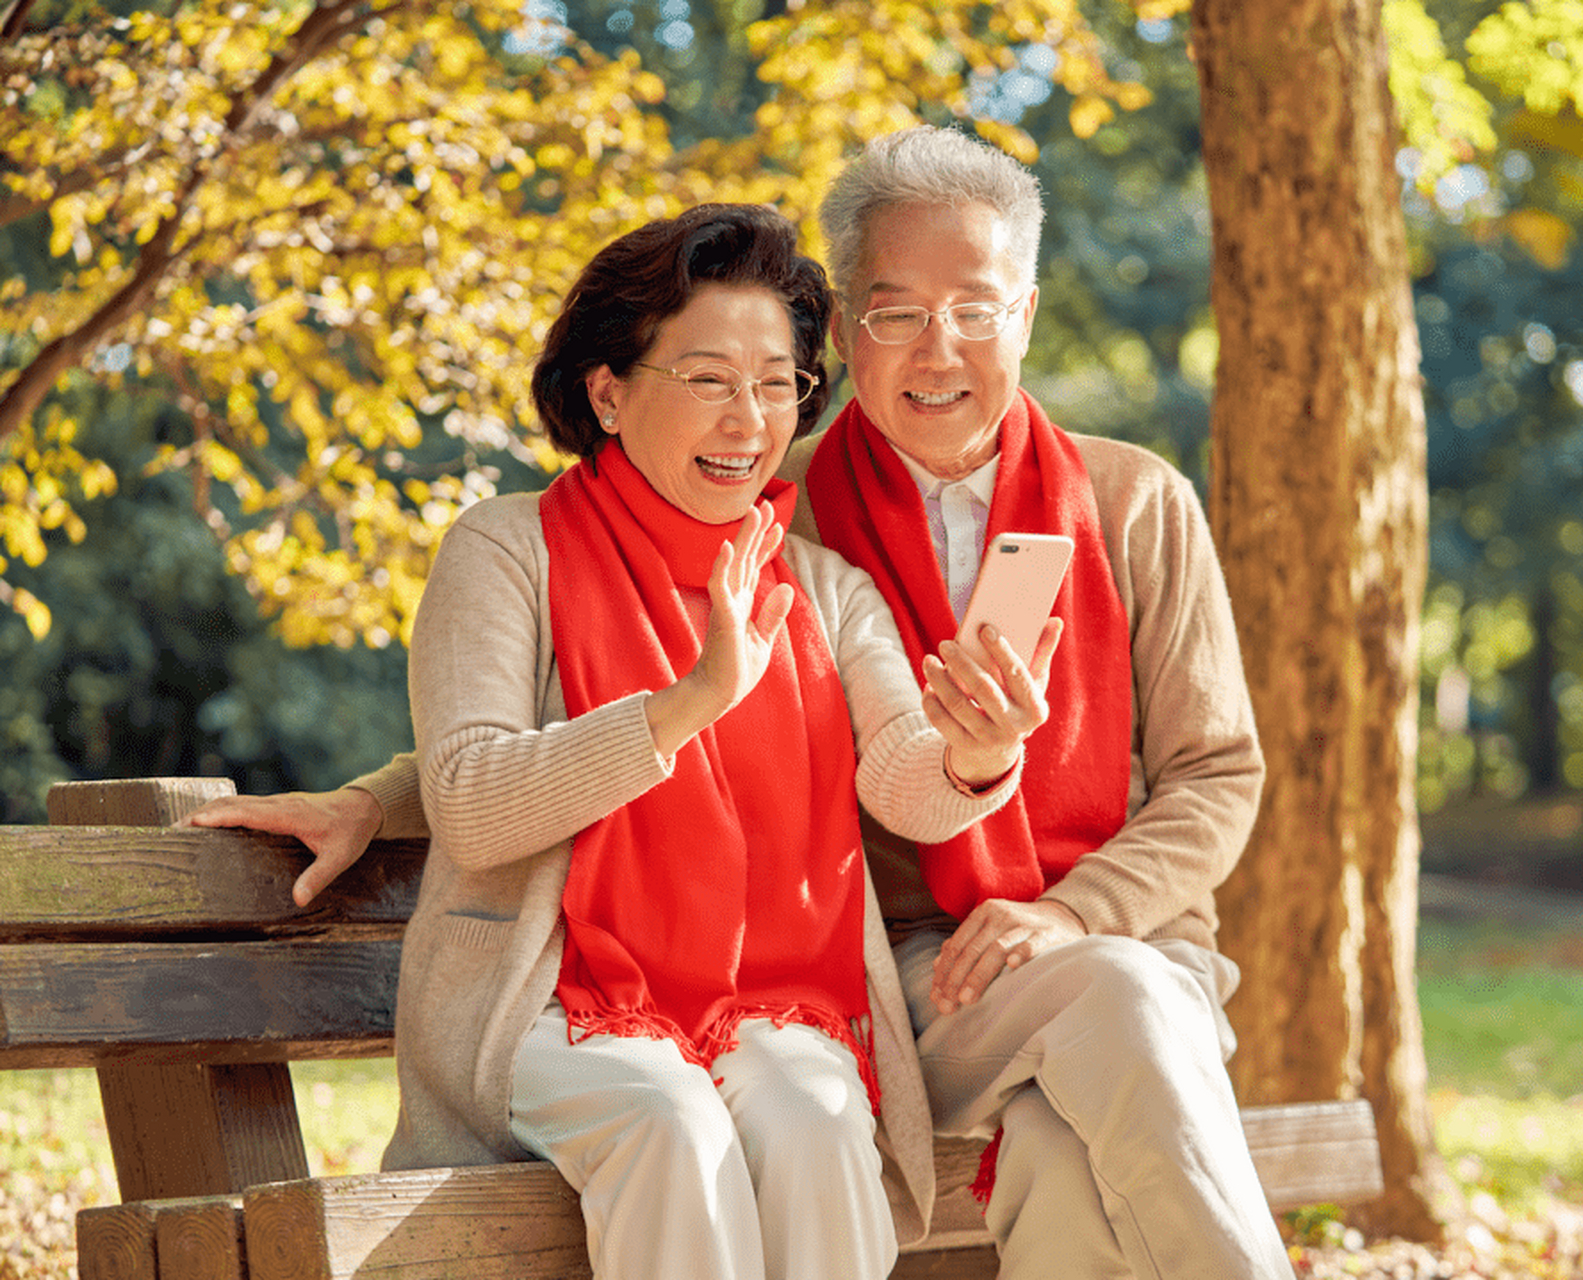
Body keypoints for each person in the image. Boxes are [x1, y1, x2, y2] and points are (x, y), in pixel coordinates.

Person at [190, 128, 1286, 1278]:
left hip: (1092, 951)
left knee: (1074, 1127)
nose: (936, 348)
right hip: (914, 972)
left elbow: (1208, 774)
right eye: (894, 310)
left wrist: (1014, 821)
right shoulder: (778, 501)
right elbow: (586, 699)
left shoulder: (1127, 504)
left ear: (1023, 313)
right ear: (850, 324)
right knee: (1038, 1046)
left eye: (973, 307)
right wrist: (381, 792)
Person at [235, 203, 1055, 1280]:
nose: (748, 418)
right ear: (609, 391)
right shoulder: (505, 550)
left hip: (777, 997)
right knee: (666, 1119)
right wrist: (693, 698)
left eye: (776, 383)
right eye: (708, 378)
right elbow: (475, 799)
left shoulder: (820, 585)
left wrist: (976, 753)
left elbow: (905, 776)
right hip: (547, 1001)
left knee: (813, 1117)